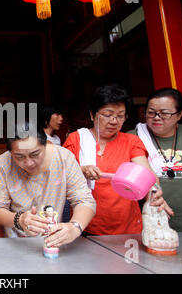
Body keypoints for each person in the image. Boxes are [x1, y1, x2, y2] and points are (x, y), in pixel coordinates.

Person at [63, 84, 172, 235]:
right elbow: (62, 175)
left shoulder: (131, 141)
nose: (114, 121)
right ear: (92, 115)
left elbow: (146, 173)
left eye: (120, 116)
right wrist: (81, 170)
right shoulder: (76, 139)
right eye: (107, 115)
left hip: (128, 226)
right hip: (88, 225)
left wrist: (154, 193)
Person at [0, 121, 96, 248]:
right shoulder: (3, 162)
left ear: (46, 144)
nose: (29, 163)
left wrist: (75, 226)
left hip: (49, 241)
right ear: (10, 153)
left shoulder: (64, 158)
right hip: (8, 243)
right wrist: (20, 220)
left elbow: (84, 200)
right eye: (19, 157)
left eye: (35, 154)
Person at [129, 88, 182, 231]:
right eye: (151, 112)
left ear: (179, 114)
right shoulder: (132, 138)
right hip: (149, 226)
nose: (156, 117)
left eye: (165, 113)